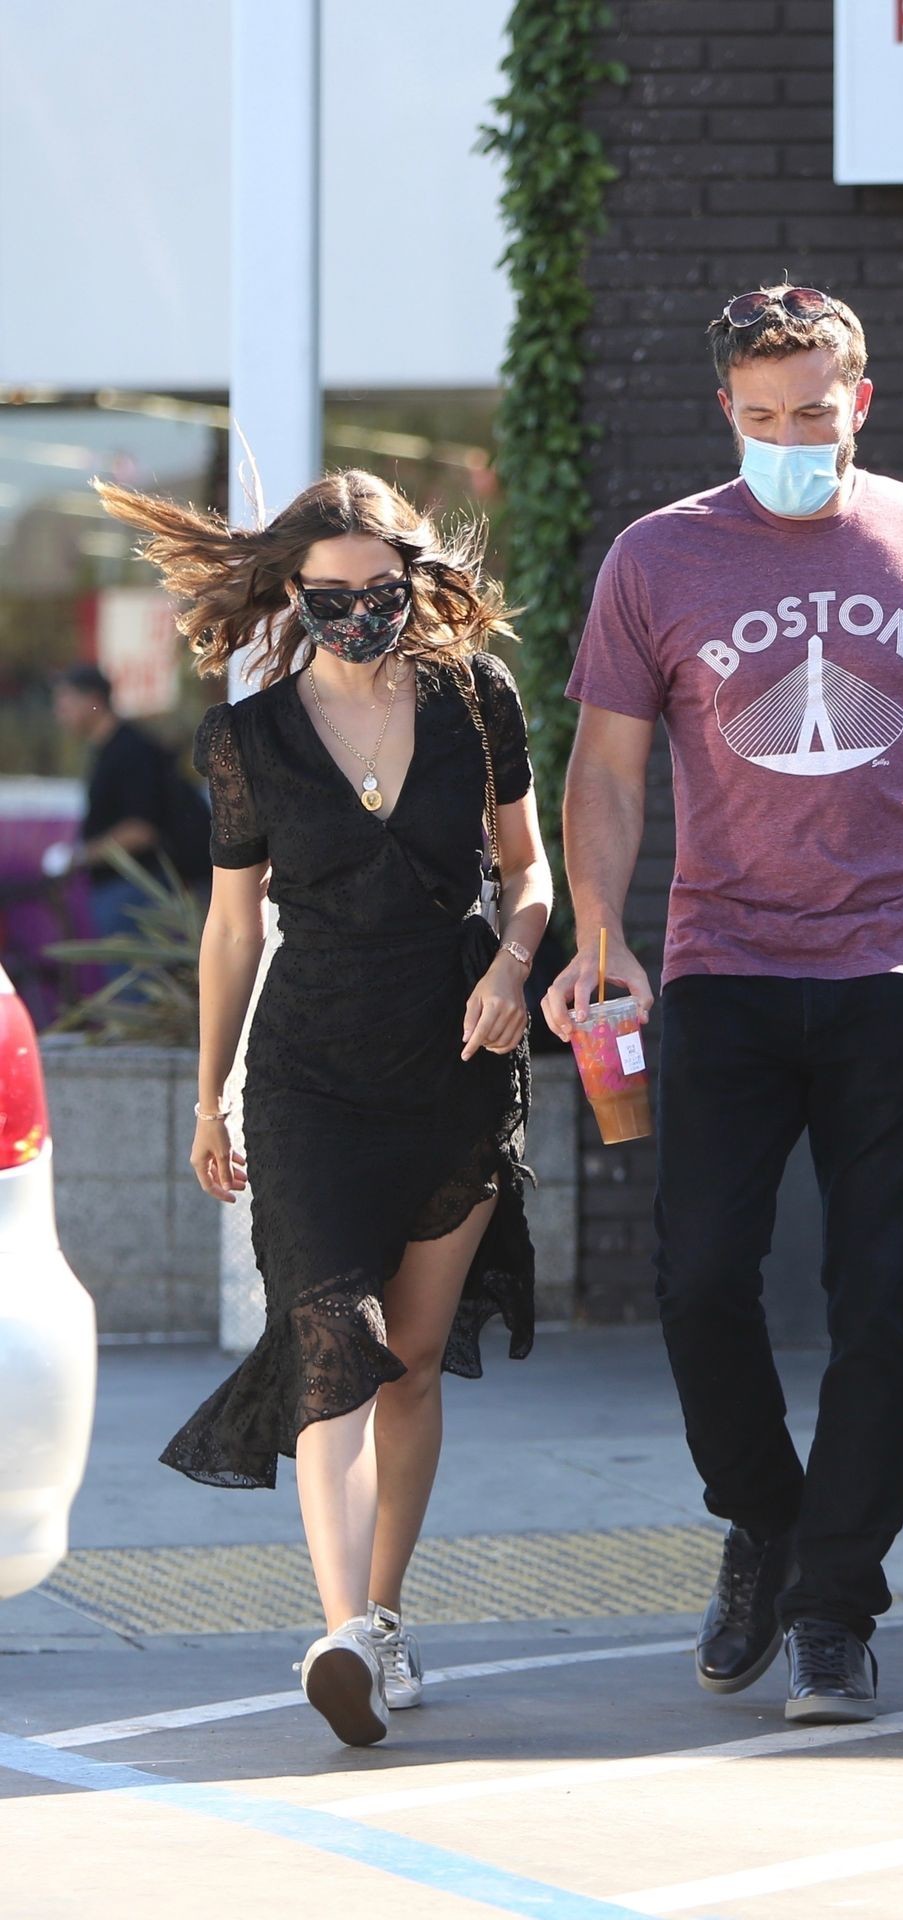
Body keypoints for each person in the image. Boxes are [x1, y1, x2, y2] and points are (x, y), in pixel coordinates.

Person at [543, 284, 903, 1726]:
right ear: (726, 411)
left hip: (897, 964)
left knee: (883, 1294)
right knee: (701, 1279)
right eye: (763, 416)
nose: (790, 439)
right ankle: (765, 1520)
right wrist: (598, 936)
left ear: (860, 402)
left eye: (814, 414)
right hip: (721, 963)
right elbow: (605, 771)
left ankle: (834, 1607)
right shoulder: (658, 557)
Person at [96, 469, 552, 1746]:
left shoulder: (475, 699)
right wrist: (209, 1098)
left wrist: (515, 967)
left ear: (414, 582)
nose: (359, 615)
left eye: (380, 591)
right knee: (331, 1342)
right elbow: (231, 931)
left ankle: (385, 1618)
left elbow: (529, 871)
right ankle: (342, 1629)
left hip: (454, 1063)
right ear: (293, 596)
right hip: (308, 1076)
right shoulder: (247, 738)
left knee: (412, 1360)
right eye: (331, 596)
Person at [48, 663, 211, 931]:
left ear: (92, 701)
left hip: (137, 891)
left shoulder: (131, 751)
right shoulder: (110, 750)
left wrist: (78, 857)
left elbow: (141, 830)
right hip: (124, 890)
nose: (59, 713)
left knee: (135, 961)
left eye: (65, 703)